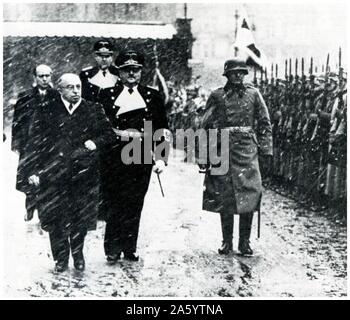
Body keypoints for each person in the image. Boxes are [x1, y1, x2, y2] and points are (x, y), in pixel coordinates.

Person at [26, 73, 116, 272]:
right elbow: (33, 143)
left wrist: (95, 142)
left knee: (80, 217)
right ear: (60, 90)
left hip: (83, 173)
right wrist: (32, 170)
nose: (76, 91)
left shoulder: (93, 109)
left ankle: (78, 253)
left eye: (78, 87)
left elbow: (109, 134)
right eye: (71, 87)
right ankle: (60, 257)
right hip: (53, 174)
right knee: (55, 217)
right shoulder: (46, 110)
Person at [100, 48, 170, 264]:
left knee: (135, 201)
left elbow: (161, 128)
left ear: (141, 71)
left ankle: (129, 247)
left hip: (141, 153)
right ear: (119, 72)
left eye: (136, 70)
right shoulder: (106, 95)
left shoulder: (152, 96)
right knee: (114, 200)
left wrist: (160, 158)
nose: (132, 74)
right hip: (113, 154)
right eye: (127, 70)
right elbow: (100, 128)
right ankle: (112, 247)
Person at [199, 58, 273, 256]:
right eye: (234, 73)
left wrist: (265, 151)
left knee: (249, 194)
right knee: (225, 196)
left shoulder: (254, 94)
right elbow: (205, 126)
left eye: (241, 72)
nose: (238, 76)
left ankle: (245, 242)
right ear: (227, 75)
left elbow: (265, 123)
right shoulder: (216, 96)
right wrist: (204, 156)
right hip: (222, 148)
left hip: (247, 149)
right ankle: (226, 241)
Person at [11, 64, 59, 222]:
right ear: (35, 78)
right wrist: (17, 143)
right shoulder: (25, 97)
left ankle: (45, 210)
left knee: (47, 175)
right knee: (29, 177)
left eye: (47, 76)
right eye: (41, 76)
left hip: (49, 142)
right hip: (30, 143)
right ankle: (30, 207)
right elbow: (17, 122)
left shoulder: (56, 95)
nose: (45, 79)